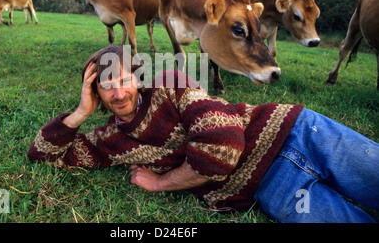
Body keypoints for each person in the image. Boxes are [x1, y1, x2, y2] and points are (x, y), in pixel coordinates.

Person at [28, 45, 379, 223]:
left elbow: (224, 147)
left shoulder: (172, 86)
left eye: (123, 80)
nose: (118, 94)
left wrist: (160, 183)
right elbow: (42, 155)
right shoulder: (109, 141)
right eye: (106, 87)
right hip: (274, 189)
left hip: (298, 133)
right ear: (95, 93)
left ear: (138, 77)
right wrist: (80, 113)